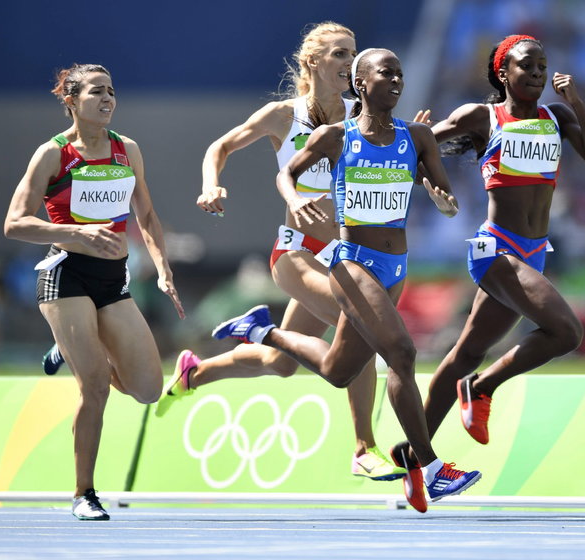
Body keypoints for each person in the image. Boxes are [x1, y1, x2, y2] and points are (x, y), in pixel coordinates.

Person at [212, 48, 482, 513]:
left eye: (400, 72)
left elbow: (443, 192)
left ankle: (263, 330)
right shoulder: (335, 137)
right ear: (360, 84)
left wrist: (445, 203)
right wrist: (295, 201)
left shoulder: (417, 136)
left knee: (340, 370)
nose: (396, 79)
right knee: (401, 352)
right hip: (351, 261)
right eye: (385, 73)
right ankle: (433, 469)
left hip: (396, 266)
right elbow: (287, 176)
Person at [154, 22, 405, 482]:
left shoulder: (362, 113)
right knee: (364, 329)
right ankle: (364, 448)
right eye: (339, 55)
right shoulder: (281, 116)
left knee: (282, 364)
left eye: (353, 54)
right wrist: (212, 184)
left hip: (346, 254)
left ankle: (197, 371)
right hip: (296, 254)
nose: (350, 63)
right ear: (313, 62)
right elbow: (221, 146)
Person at [410, 35, 585, 449]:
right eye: (526, 66)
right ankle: (482, 388)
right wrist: (424, 163)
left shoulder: (557, 116)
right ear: (503, 73)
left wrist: (577, 103)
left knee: (466, 353)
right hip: (495, 251)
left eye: (542, 66)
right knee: (566, 333)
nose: (537, 73)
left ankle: (416, 454)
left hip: (532, 255)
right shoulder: (483, 116)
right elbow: (417, 146)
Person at [4, 63, 185, 520]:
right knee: (97, 387)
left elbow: (146, 216)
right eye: (96, 92)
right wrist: (77, 235)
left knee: (146, 389)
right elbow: (14, 224)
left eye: (111, 92)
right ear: (71, 100)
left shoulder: (128, 150)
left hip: (113, 280)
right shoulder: (53, 154)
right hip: (65, 276)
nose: (107, 99)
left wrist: (163, 269)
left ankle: (71, 343)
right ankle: (84, 493)